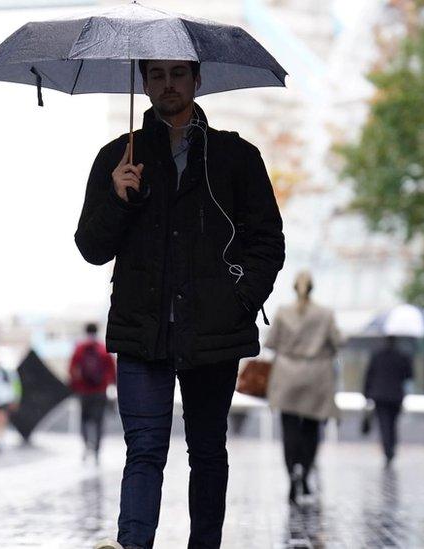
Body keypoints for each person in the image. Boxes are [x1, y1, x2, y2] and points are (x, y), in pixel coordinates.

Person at [77, 59, 285, 549]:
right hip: (142, 329)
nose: (167, 84)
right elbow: (91, 247)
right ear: (144, 82)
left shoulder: (235, 156)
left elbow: (267, 242)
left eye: (177, 73)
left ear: (196, 79)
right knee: (144, 451)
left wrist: (238, 300)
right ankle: (133, 544)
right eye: (156, 75)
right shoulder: (118, 156)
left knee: (208, 451)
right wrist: (116, 196)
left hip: (213, 331)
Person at [264, 271, 343, 505]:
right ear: (313, 287)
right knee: (311, 430)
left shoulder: (282, 313)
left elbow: (270, 343)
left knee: (289, 431)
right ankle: (305, 474)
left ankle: (291, 476)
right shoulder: (325, 314)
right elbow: (337, 342)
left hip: (286, 376)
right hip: (316, 376)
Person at [362, 336, 414, 467]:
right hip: (396, 396)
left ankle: (388, 451)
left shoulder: (377, 356)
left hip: (380, 396)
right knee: (392, 424)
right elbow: (409, 374)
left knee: (384, 424)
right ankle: (391, 449)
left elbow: (368, 376)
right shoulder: (402, 357)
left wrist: (366, 395)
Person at [69, 322, 116, 463]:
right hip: (100, 392)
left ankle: (86, 445)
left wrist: (76, 386)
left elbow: (72, 369)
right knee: (99, 421)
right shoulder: (103, 348)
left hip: (84, 392)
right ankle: (97, 450)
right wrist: (111, 384)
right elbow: (112, 370)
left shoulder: (79, 348)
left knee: (84, 420)